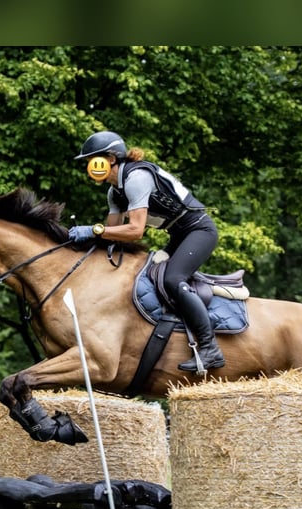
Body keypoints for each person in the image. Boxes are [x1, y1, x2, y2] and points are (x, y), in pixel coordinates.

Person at [70, 130, 225, 372]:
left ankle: (210, 348)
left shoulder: (136, 178)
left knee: (173, 279)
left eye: (92, 159)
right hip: (178, 234)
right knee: (149, 277)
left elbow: (134, 231)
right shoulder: (115, 191)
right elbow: (111, 232)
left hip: (199, 230)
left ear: (110, 159)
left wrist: (93, 230)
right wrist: (84, 243)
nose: (89, 166)